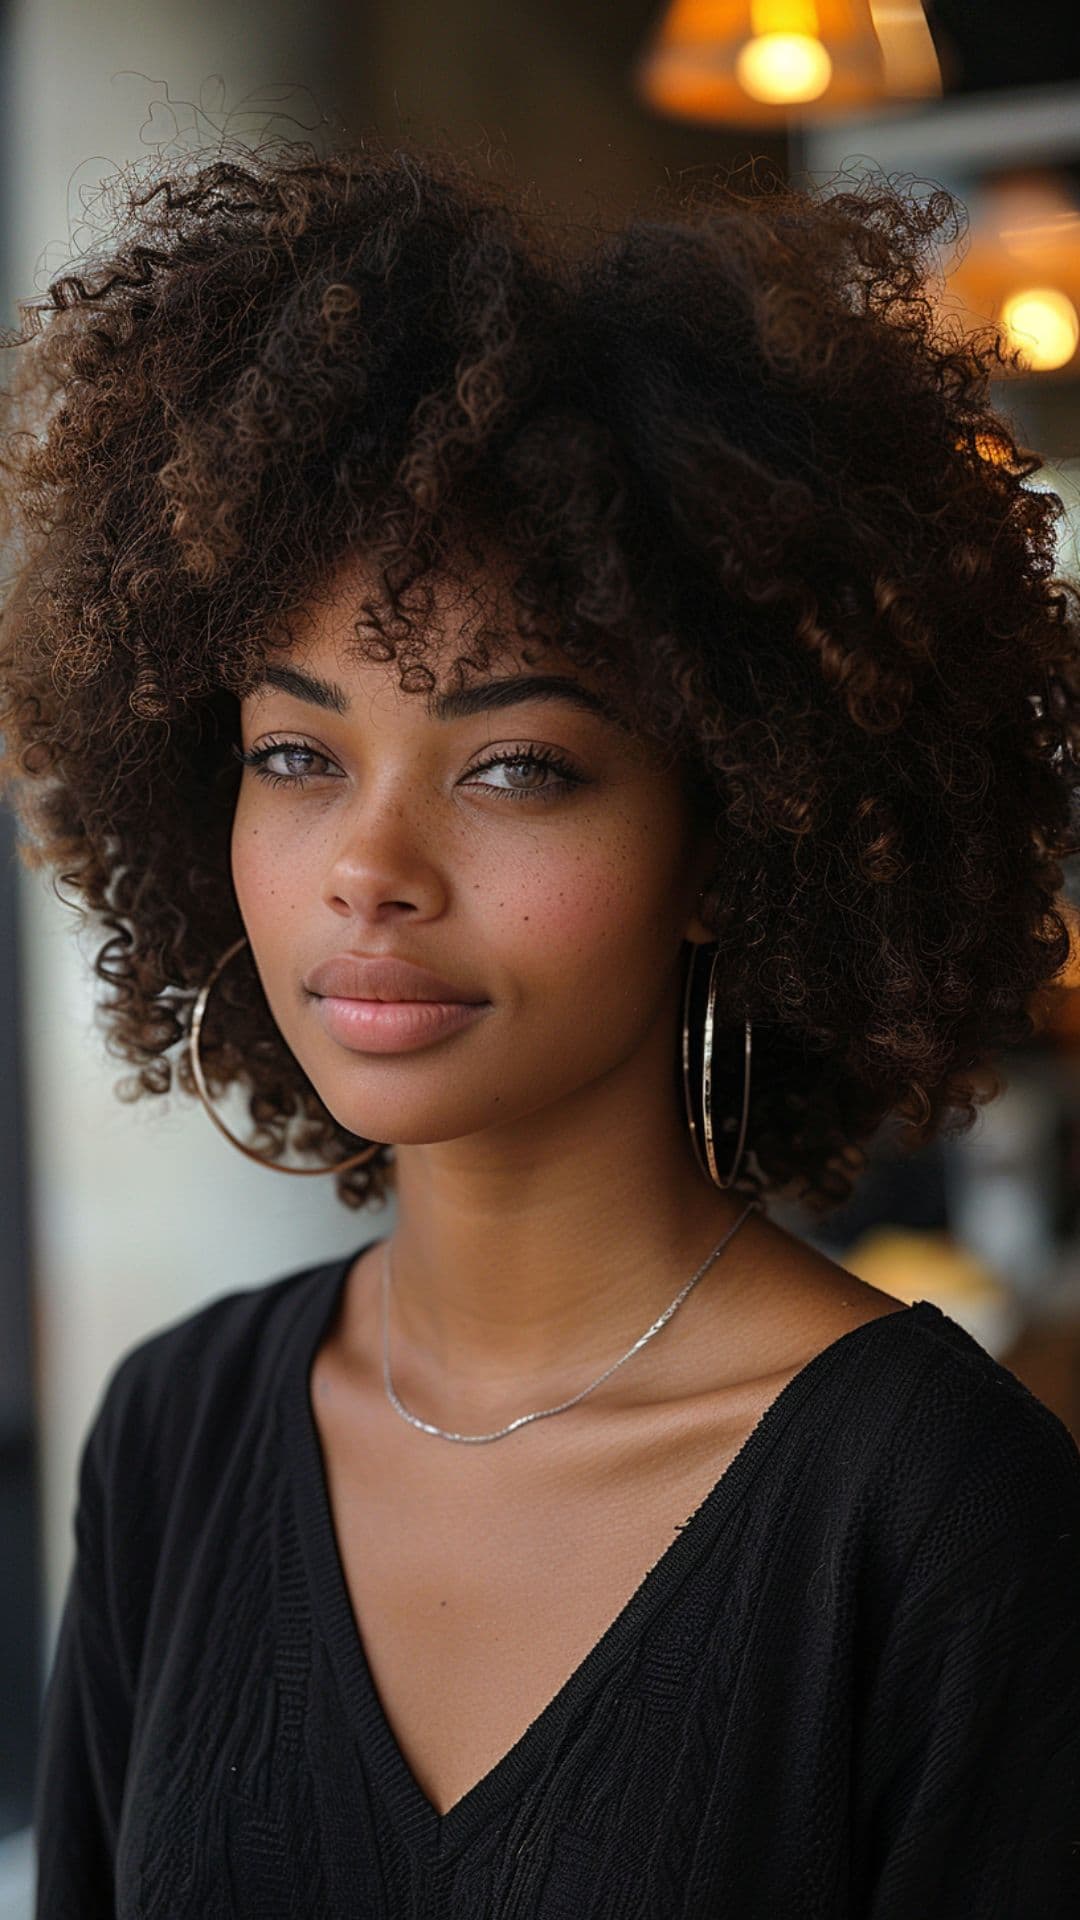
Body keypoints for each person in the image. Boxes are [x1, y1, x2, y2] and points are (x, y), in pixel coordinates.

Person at [2, 130, 1078, 1918]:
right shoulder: (177, 1434)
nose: (370, 866)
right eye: (296, 753)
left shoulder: (939, 1516)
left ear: (736, 832)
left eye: (518, 765)